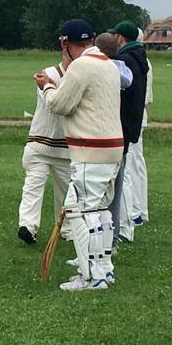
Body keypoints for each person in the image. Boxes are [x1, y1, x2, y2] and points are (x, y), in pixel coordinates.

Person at [33, 18, 123, 291]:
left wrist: (47, 86)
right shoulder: (108, 63)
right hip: (112, 148)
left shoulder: (82, 65)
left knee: (81, 212)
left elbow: (60, 105)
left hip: (90, 149)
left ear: (66, 44)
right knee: (100, 210)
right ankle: (103, 268)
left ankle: (91, 276)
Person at [16, 57, 70, 246]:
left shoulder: (82, 72)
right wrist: (47, 85)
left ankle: (67, 228)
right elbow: (54, 104)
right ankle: (27, 226)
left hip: (65, 149)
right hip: (40, 143)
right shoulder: (49, 73)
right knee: (33, 185)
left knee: (66, 191)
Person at [107, 20, 149, 243]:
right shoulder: (140, 58)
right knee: (128, 172)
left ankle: (123, 226)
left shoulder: (125, 60)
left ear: (120, 38)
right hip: (133, 122)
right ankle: (128, 221)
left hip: (122, 124)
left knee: (121, 177)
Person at [129, 27, 153, 225]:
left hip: (134, 116)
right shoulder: (145, 61)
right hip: (140, 115)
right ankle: (140, 209)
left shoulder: (134, 61)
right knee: (137, 162)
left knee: (132, 163)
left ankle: (135, 211)